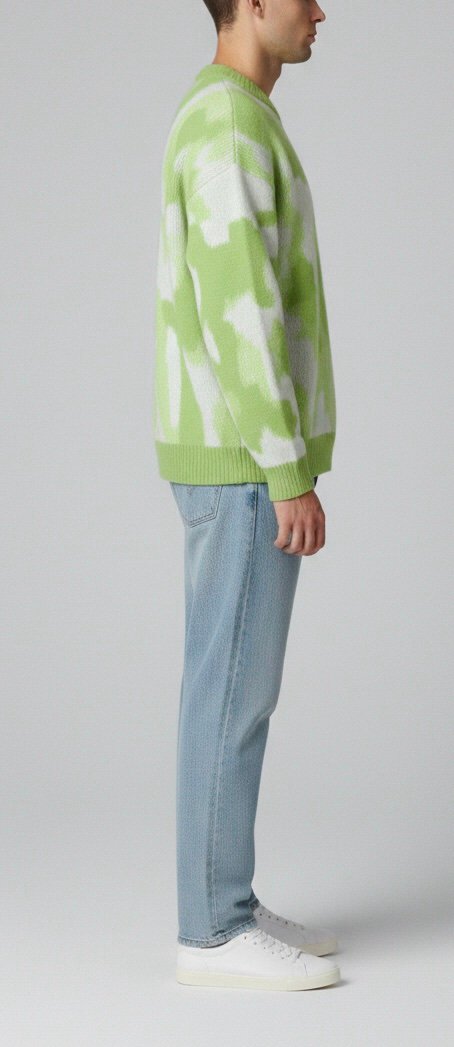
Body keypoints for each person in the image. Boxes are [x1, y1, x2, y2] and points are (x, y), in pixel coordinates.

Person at [152, 0, 339, 991]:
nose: (321, 10)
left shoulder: (237, 115)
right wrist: (285, 469)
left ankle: (226, 895)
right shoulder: (227, 122)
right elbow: (242, 312)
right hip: (241, 463)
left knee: (234, 691)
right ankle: (212, 932)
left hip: (237, 458)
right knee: (230, 693)